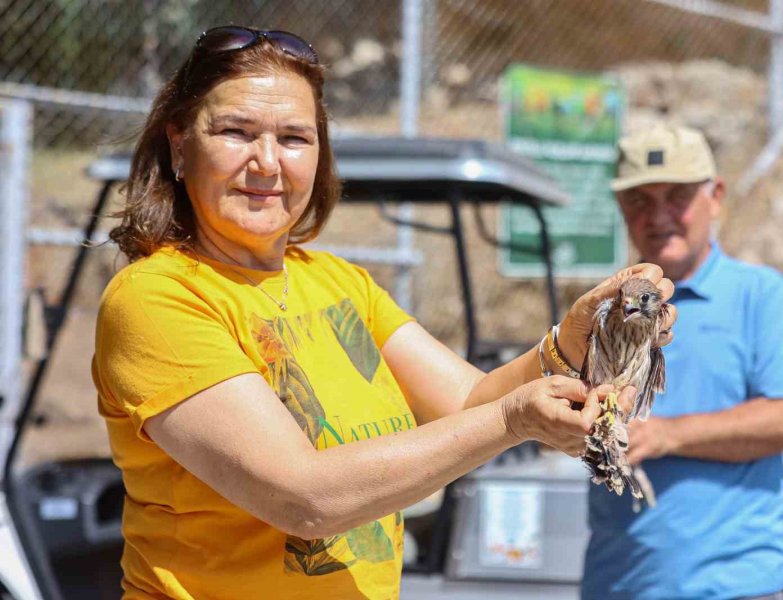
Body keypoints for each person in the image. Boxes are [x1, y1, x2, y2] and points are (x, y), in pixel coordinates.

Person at [92, 26, 677, 599]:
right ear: (178, 143)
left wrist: (572, 341)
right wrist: (514, 420)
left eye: (294, 138)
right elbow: (304, 498)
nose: (267, 163)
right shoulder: (157, 298)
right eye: (236, 132)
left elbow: (472, 402)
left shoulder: (340, 284)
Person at [581, 124, 783, 600]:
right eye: (639, 201)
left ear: (715, 196)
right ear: (620, 208)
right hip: (616, 583)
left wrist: (666, 436)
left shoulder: (761, 295)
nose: (659, 216)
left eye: (677, 197)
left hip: (731, 587)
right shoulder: (600, 308)